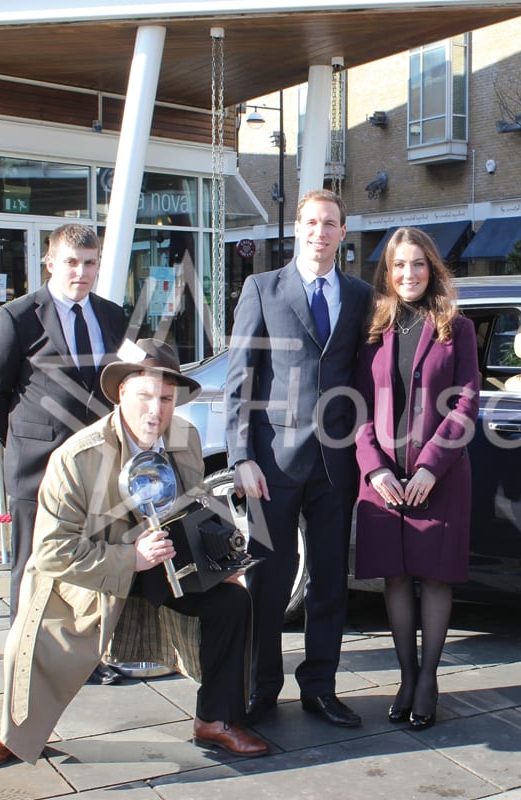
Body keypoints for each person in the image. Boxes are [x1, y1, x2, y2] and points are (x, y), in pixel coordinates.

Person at [0, 338, 269, 767]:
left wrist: (221, 561)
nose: (155, 410)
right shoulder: (77, 456)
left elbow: (194, 504)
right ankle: (14, 734)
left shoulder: (185, 437)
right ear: (121, 393)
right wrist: (130, 558)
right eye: (144, 396)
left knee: (233, 601)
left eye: (166, 399)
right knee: (36, 646)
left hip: (162, 560)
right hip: (88, 574)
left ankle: (216, 720)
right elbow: (50, 551)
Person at [225, 189, 371, 728]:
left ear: (342, 232)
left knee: (329, 581)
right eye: (311, 222)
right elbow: (241, 376)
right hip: (272, 463)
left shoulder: (360, 295)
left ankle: (320, 689)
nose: (319, 232)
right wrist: (241, 455)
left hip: (336, 465)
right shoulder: (263, 288)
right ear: (297, 229)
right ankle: (262, 687)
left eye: (329, 223)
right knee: (269, 579)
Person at [354, 227, 480, 730]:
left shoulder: (456, 326)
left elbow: (466, 401)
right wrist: (374, 467)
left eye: (418, 264)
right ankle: (406, 677)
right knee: (396, 575)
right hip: (384, 476)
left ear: (432, 268)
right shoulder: (371, 328)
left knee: (436, 576)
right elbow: (356, 405)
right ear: (388, 272)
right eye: (399, 265)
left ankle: (428, 680)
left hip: (439, 474)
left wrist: (430, 465)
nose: (409, 273)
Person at [0, 223, 127, 684]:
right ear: (50, 262)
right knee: (33, 567)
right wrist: (22, 443)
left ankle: (87, 659)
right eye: (71, 262)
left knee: (91, 562)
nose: (81, 272)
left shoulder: (111, 315)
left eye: (90, 263)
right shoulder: (16, 318)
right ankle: (26, 667)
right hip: (37, 467)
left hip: (96, 467)